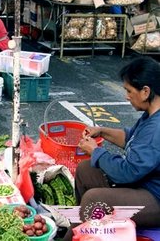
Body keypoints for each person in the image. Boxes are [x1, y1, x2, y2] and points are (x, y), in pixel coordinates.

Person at [63, 56, 160, 240]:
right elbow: (131, 138)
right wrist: (101, 131)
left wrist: (96, 151)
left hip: (155, 197)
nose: (127, 96)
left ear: (145, 91)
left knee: (94, 200)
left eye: (129, 91)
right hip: (143, 182)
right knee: (86, 169)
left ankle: (73, 235)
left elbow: (128, 172)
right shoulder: (151, 115)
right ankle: (86, 229)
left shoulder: (156, 128)